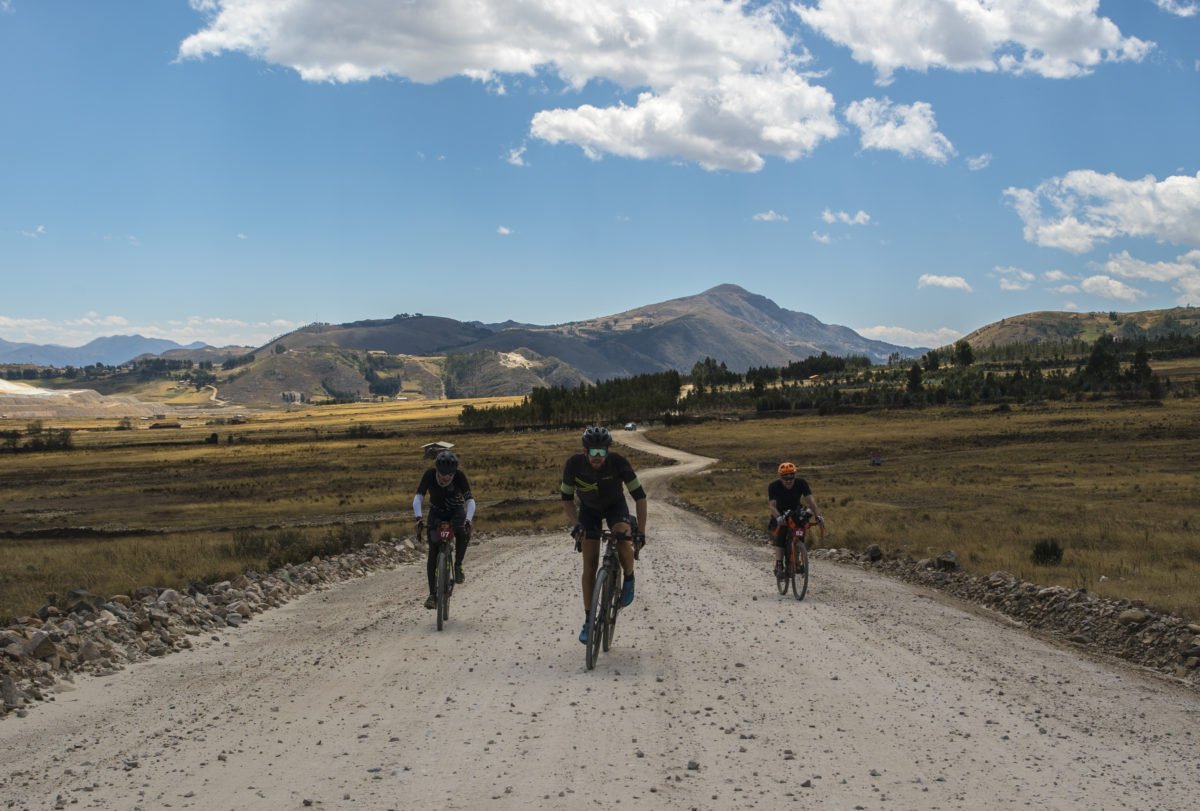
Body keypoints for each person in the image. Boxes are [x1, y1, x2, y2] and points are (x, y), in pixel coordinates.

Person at [561, 426, 647, 644]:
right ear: (585, 451)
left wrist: (641, 533)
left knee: (622, 538)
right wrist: (576, 525)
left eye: (601, 452)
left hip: (615, 507)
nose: (597, 457)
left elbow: (640, 497)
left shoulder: (618, 462)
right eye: (593, 452)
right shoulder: (573, 465)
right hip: (589, 510)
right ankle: (589, 620)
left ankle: (628, 577)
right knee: (589, 566)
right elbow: (566, 499)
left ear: (607, 452)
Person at [414, 450, 476, 609]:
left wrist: (468, 520)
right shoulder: (429, 475)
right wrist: (418, 518)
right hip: (436, 513)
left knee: (462, 532)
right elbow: (418, 497)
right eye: (442, 474)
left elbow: (470, 501)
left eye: (449, 475)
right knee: (433, 553)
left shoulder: (460, 476)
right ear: (437, 470)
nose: (445, 478)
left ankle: (458, 565)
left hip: (456, 512)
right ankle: (432, 595)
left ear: (454, 472)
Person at [767, 461, 823, 578]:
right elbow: (772, 505)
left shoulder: (801, 483)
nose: (788, 480)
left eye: (791, 477)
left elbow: (811, 501)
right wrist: (778, 517)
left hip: (796, 512)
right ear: (780, 477)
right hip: (780, 513)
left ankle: (797, 560)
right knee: (781, 534)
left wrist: (818, 516)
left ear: (794, 475)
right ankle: (779, 564)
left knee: (800, 531)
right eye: (785, 478)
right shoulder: (773, 486)